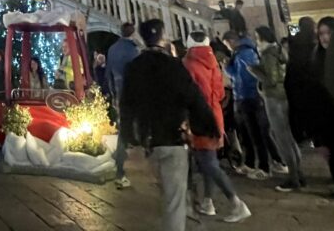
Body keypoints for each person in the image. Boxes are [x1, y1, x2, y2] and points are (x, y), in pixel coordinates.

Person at [119, 18, 218, 231]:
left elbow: (126, 104)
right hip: (173, 136)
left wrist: (128, 136)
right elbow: (194, 97)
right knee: (174, 200)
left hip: (148, 139)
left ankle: (187, 220)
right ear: (162, 37)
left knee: (168, 193)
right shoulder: (173, 66)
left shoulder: (134, 68)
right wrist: (209, 126)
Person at [183, 31, 251, 221]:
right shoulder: (213, 61)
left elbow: (189, 94)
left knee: (208, 162)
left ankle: (236, 203)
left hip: (199, 116)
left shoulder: (188, 63)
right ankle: (208, 201)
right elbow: (220, 93)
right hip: (215, 113)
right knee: (208, 158)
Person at [249, 26, 304, 191]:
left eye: (257, 37)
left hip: (274, 97)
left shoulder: (268, 54)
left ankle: (293, 178)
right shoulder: (278, 50)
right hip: (283, 95)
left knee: (281, 138)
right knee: (288, 138)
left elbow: (271, 79)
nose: (256, 40)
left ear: (263, 38)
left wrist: (254, 71)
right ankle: (298, 174)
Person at [224, 31, 282, 179]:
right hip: (245, 97)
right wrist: (228, 67)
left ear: (232, 40)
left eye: (227, 44)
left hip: (250, 97)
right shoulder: (241, 53)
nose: (228, 47)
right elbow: (237, 74)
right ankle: (253, 164)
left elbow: (246, 76)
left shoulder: (245, 53)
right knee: (251, 134)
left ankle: (265, 166)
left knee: (257, 135)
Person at [312, 16, 334, 200]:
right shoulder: (317, 58)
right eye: (321, 34)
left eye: (328, 33)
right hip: (327, 117)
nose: (325, 38)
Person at [106, 22, 139, 188]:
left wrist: (113, 95)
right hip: (132, 95)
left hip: (119, 94)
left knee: (123, 131)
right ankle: (120, 168)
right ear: (133, 34)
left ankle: (120, 167)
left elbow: (108, 75)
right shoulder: (133, 50)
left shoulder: (112, 49)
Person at [285, 16, 316, 143]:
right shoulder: (313, 41)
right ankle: (313, 133)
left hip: (293, 79)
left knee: (296, 110)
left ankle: (299, 135)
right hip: (310, 80)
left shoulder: (293, 41)